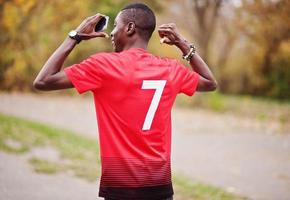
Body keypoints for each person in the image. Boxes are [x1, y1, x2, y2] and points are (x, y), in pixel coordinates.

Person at [33, 3, 217, 200]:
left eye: (115, 26)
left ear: (129, 28)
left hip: (120, 189)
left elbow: (43, 81)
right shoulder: (170, 69)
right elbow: (210, 82)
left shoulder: (104, 66)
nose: (111, 33)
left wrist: (75, 36)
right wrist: (182, 43)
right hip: (160, 188)